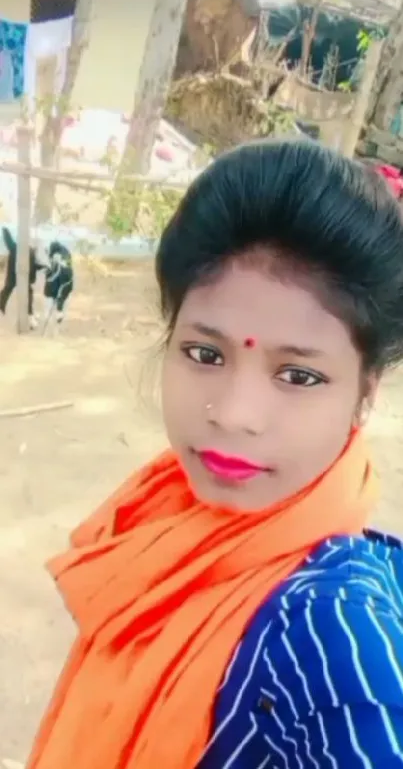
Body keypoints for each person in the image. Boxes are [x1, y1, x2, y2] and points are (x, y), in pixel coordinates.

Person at [27, 139, 403, 769]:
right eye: (206, 354)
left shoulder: (336, 643)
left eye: (298, 376)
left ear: (365, 392)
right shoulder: (158, 518)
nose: (233, 414)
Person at [0, 226, 46, 329]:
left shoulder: (23, 249)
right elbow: (36, 264)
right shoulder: (21, 249)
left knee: (12, 291)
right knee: (10, 291)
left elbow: (35, 265)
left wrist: (5, 231)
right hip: (18, 277)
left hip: (20, 277)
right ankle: (28, 315)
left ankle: (29, 316)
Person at [42, 240, 74, 329]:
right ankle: (58, 313)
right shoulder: (64, 252)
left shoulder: (61, 261)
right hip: (65, 281)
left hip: (64, 281)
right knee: (60, 297)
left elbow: (55, 275)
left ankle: (57, 314)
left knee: (58, 296)